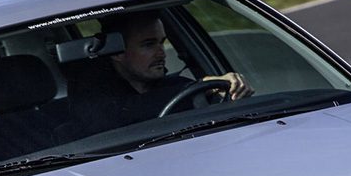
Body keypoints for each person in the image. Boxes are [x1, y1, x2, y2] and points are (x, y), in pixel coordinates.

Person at [69, 11, 253, 134]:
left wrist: (229, 87)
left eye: (162, 42)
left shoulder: (176, 86)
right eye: (148, 44)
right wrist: (202, 86)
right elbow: (126, 112)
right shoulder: (91, 101)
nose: (162, 52)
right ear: (118, 52)